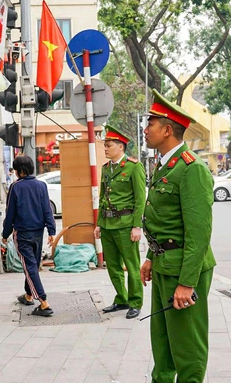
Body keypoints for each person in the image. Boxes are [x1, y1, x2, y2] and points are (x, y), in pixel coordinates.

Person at [139, 89, 216, 383]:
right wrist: (150, 257)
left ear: (167, 130)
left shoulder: (191, 169)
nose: (145, 129)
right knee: (162, 344)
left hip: (183, 269)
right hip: (163, 265)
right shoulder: (165, 165)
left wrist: (187, 282)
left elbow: (199, 232)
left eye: (150, 124)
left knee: (187, 348)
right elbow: (162, 220)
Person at [94, 125, 146, 319]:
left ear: (121, 146)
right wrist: (99, 223)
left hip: (125, 225)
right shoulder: (106, 168)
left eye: (109, 145)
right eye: (105, 145)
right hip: (108, 225)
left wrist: (137, 226)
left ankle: (135, 301)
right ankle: (121, 298)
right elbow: (102, 197)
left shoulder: (133, 167)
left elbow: (140, 199)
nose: (105, 149)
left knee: (132, 265)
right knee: (113, 266)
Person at [2, 155, 56, 316]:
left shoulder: (16, 187)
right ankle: (28, 295)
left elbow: (10, 213)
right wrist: (51, 231)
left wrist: (5, 234)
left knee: (30, 266)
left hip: (22, 234)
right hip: (39, 233)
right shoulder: (41, 185)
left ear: (20, 171)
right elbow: (47, 210)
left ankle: (43, 302)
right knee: (32, 265)